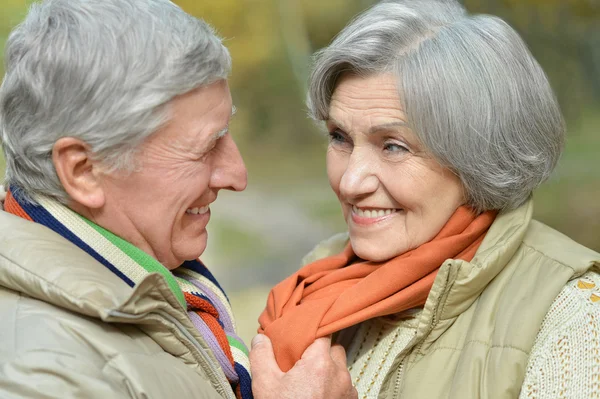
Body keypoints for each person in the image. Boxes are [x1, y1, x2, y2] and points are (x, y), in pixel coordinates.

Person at [0, 1, 355, 398]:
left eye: (227, 133)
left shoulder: (152, 288)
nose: (236, 176)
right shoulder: (41, 374)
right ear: (83, 171)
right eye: (206, 148)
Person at [256, 1, 600, 398]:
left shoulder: (573, 320)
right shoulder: (318, 281)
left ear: (478, 157)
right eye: (339, 137)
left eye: (394, 147)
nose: (350, 182)